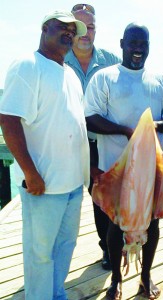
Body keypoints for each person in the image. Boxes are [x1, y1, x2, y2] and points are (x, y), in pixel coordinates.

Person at [84, 22, 163, 300]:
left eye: (143, 44)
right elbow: (90, 117)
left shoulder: (160, 81)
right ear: (122, 43)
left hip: (150, 168)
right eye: (133, 43)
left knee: (152, 222)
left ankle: (146, 275)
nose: (138, 49)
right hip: (115, 167)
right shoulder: (105, 77)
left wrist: (150, 127)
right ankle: (115, 279)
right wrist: (127, 131)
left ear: (148, 47)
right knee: (116, 222)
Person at [0, 10, 89, 300]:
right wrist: (30, 173)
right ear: (44, 28)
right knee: (40, 253)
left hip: (74, 185)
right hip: (44, 185)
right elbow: (9, 120)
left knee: (65, 246)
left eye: (72, 30)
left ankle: (56, 294)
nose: (68, 33)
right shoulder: (28, 65)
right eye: (61, 27)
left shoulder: (71, 75)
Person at [65, 3, 121, 270]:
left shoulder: (112, 61)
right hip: (70, 144)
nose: (85, 33)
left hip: (103, 142)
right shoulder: (58, 59)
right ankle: (57, 256)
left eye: (91, 27)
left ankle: (109, 248)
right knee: (70, 198)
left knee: (104, 197)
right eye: (80, 27)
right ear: (69, 28)